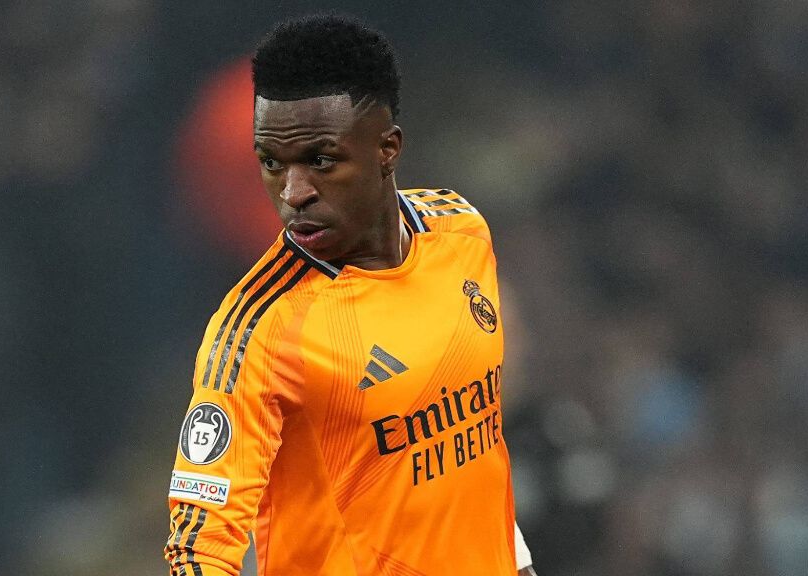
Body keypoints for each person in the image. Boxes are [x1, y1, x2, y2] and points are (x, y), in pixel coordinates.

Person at [165, 14, 537, 576]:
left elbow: (471, 452)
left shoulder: (460, 231)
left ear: (387, 149)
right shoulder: (259, 330)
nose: (293, 194)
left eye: (320, 160)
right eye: (271, 163)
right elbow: (197, 552)